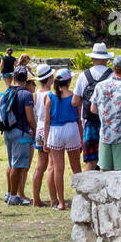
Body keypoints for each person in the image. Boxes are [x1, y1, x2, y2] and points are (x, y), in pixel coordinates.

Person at [89, 55, 121, 171]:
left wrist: (106, 115)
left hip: (105, 135)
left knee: (105, 171)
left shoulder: (100, 86)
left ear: (113, 68)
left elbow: (93, 109)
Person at [43, 68, 83, 209]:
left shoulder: (50, 97)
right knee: (76, 167)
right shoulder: (74, 97)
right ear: (69, 81)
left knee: (58, 168)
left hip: (55, 131)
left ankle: (60, 202)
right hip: (72, 130)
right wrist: (81, 138)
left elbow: (47, 121)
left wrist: (46, 140)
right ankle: (82, 197)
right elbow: (79, 120)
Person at [0, 64, 36, 205]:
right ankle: (14, 196)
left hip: (8, 131)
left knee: (11, 163)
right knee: (18, 166)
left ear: (14, 78)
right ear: (26, 79)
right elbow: (30, 118)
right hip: (21, 133)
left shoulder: (9, 90)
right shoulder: (26, 94)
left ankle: (9, 193)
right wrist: (35, 130)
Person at [73, 42, 114, 171]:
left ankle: (86, 190)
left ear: (92, 58)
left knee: (91, 160)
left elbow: (75, 101)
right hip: (108, 121)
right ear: (107, 59)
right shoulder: (112, 75)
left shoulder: (83, 76)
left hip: (89, 121)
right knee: (108, 161)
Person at [29, 64, 54, 207]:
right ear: (49, 78)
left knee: (40, 166)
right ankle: (54, 198)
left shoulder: (36, 94)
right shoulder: (50, 95)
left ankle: (36, 198)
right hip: (48, 129)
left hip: (39, 129)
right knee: (52, 165)